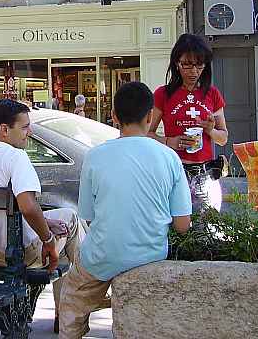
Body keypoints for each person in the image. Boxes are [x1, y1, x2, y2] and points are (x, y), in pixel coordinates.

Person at [59, 82, 191, 339]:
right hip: (149, 256)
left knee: (72, 300)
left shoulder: (95, 156)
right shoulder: (169, 157)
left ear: (115, 117)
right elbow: (182, 225)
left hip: (102, 256)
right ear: (150, 116)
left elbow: (87, 215)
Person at [0, 99, 89, 331]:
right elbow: (28, 207)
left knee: (61, 228)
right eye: (24, 127)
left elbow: (12, 210)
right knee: (71, 223)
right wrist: (48, 239)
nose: (29, 133)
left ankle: (67, 311)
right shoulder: (15, 157)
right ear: (4, 129)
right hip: (21, 253)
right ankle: (75, 310)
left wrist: (47, 223)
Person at [149, 33, 229, 211]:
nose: (193, 71)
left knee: (206, 230)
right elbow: (148, 134)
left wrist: (210, 130)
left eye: (199, 64)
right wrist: (171, 142)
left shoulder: (212, 94)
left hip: (206, 174)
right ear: (177, 63)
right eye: (187, 64)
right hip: (174, 171)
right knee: (175, 228)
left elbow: (223, 138)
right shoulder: (163, 94)